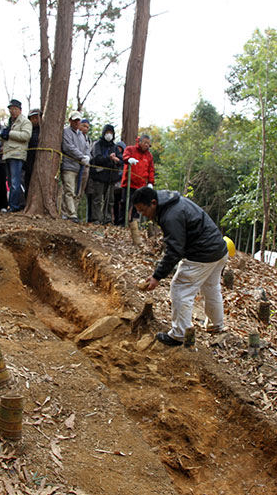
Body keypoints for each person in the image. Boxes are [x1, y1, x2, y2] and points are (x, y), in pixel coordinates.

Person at [133, 186, 228, 346]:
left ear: (154, 203)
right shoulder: (172, 201)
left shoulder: (171, 215)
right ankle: (216, 325)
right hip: (219, 250)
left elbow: (174, 251)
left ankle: (179, 335)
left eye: (143, 210)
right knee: (211, 287)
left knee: (180, 289)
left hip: (202, 254)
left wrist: (157, 276)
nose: (143, 215)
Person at [0, 99, 33, 212]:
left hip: (18, 154)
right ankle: (12, 204)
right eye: (11, 109)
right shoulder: (9, 122)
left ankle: (15, 206)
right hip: (8, 154)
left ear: (20, 110)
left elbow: (26, 135)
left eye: (15, 109)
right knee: (10, 182)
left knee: (15, 182)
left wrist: (9, 133)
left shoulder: (25, 122)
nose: (13, 111)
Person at [89, 124, 122, 225]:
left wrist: (116, 160)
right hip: (99, 176)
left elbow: (121, 161)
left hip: (111, 177)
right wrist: (109, 158)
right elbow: (97, 159)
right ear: (103, 133)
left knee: (110, 200)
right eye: (107, 133)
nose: (109, 135)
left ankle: (107, 219)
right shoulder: (97, 145)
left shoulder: (114, 147)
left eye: (111, 133)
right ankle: (96, 219)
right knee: (97, 199)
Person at [60, 111, 89, 222]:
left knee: (77, 192)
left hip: (80, 168)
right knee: (69, 190)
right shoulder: (66, 132)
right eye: (75, 120)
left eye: (78, 120)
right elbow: (68, 147)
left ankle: (70, 212)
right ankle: (71, 214)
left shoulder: (81, 135)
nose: (77, 122)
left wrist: (87, 157)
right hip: (68, 166)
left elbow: (86, 148)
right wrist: (81, 157)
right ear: (70, 120)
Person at [121, 134, 155, 225]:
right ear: (140, 142)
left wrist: (151, 182)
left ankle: (134, 224)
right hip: (129, 182)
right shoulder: (130, 149)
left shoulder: (149, 156)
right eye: (145, 143)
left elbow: (151, 170)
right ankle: (121, 222)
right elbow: (124, 156)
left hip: (141, 185)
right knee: (125, 203)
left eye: (148, 143)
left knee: (138, 205)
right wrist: (129, 159)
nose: (146, 145)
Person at [24, 108, 41, 193]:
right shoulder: (27, 129)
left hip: (41, 158)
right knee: (28, 179)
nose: (35, 120)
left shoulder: (44, 130)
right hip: (29, 158)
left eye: (36, 117)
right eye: (32, 118)